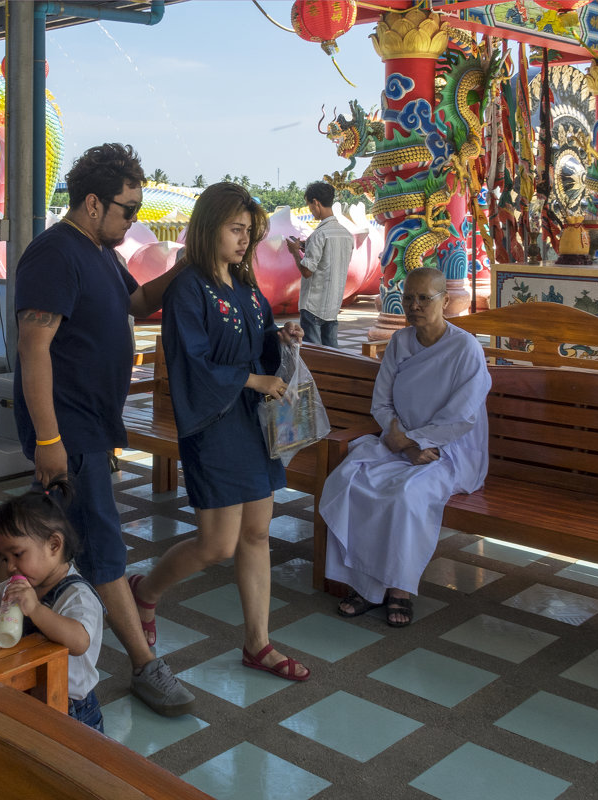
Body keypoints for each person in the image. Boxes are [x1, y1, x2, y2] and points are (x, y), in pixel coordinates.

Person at [10, 142, 194, 716]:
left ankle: (2, 613)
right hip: (69, 427)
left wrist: (185, 265)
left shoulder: (100, 252)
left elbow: (136, 303)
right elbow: (33, 347)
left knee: (50, 526)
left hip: (89, 424)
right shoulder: (54, 255)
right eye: (128, 209)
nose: (133, 219)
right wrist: (48, 440)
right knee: (103, 541)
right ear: (93, 202)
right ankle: (144, 664)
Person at [127, 182, 310, 682]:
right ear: (208, 228)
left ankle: (258, 644)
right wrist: (254, 377)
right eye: (235, 229)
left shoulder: (246, 287)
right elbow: (193, 362)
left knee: (256, 533)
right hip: (213, 423)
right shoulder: (189, 290)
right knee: (217, 545)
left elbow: (253, 342)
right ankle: (144, 591)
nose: (244, 240)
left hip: (252, 422)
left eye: (249, 232)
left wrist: (279, 337)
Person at [318, 267, 490, 626]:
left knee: (406, 495)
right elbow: (381, 402)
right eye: (408, 298)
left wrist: (415, 443)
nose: (414, 306)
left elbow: (463, 416)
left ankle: (399, 590)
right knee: (349, 479)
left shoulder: (464, 348)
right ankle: (365, 584)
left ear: (444, 300)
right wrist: (399, 438)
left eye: (424, 298)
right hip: (399, 441)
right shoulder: (400, 342)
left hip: (448, 450)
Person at [0, 478, 105, 731]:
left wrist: (37, 610)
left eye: (17, 555)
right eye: (3, 558)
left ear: (54, 545)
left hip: (69, 708)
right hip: (28, 694)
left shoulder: (77, 595)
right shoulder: (22, 586)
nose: (9, 567)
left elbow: (79, 641)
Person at [286, 181, 354, 347]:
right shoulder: (346, 235)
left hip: (313, 305)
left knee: (315, 356)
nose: (310, 211)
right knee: (333, 356)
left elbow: (307, 271)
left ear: (315, 202)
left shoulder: (319, 234)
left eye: (309, 206)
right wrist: (305, 246)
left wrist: (295, 251)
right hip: (333, 306)